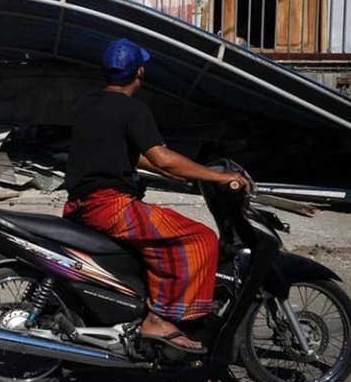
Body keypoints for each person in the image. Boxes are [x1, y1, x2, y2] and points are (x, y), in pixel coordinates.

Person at [62, 38, 251, 353]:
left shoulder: (88, 103)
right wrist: (220, 176)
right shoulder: (134, 109)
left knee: (157, 244)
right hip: (111, 207)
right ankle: (159, 318)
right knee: (201, 238)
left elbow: (134, 156)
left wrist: (183, 172)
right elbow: (161, 156)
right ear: (140, 72)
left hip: (81, 205)